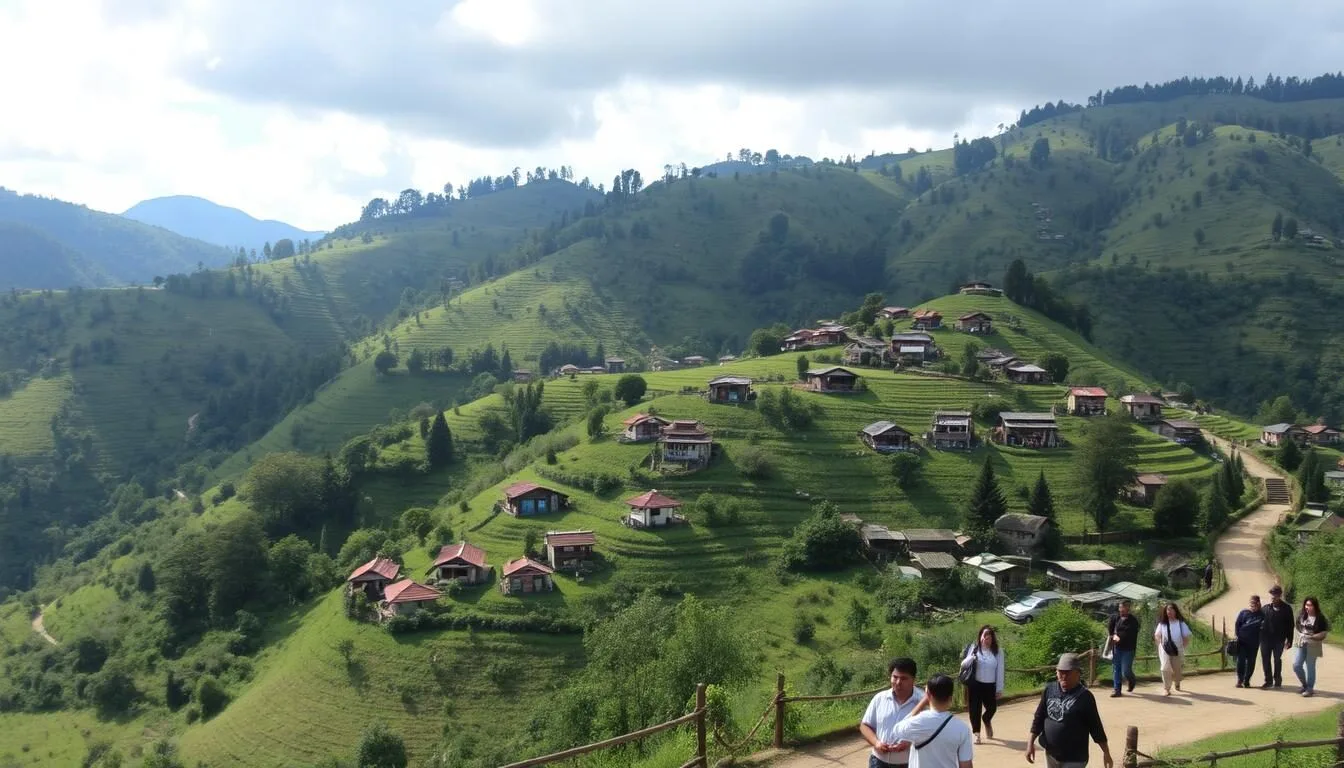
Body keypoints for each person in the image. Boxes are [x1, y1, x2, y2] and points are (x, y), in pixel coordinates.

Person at [1027, 653, 1113, 768]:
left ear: (1078, 673)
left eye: (1067, 672)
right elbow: (1039, 717)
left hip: (1075, 759)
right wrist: (1030, 743)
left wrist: (1106, 753)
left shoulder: (1085, 697)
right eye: (1060, 672)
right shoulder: (1050, 690)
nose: (1063, 676)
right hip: (1051, 754)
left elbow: (1096, 727)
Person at [886, 674, 975, 768]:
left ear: (928, 695)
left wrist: (921, 703)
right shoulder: (962, 728)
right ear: (950, 698)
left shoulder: (917, 722)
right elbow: (966, 764)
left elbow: (896, 730)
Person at [862, 658, 925, 767]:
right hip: (878, 762)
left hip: (910, 763)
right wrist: (876, 743)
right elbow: (865, 726)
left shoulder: (923, 701)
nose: (898, 682)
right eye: (895, 677)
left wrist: (910, 742)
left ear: (913, 679)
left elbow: (931, 732)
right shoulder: (880, 699)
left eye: (904, 678)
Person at [959, 625, 1004, 744]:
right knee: (975, 709)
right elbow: (963, 664)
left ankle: (986, 719)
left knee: (992, 708)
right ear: (980, 637)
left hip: (990, 685)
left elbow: (1000, 670)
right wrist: (972, 658)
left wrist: (999, 689)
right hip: (975, 684)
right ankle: (976, 733)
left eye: (988, 637)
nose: (986, 639)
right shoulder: (974, 648)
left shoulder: (998, 651)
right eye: (984, 636)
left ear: (992, 639)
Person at [1291, 596, 1330, 697]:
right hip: (1301, 643)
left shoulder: (1320, 618)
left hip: (1314, 645)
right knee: (1296, 665)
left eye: (1310, 605)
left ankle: (1310, 689)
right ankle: (1304, 685)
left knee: (1310, 667)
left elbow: (1323, 633)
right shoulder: (1302, 614)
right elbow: (1298, 625)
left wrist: (1311, 636)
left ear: (1315, 606)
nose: (1307, 607)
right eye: (1306, 605)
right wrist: (1301, 634)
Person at [1260, 585, 1295, 688]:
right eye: (1271, 595)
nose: (1272, 597)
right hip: (1265, 639)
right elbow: (1258, 622)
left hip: (1279, 640)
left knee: (1277, 659)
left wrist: (1290, 640)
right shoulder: (1265, 608)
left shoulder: (1287, 608)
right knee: (1265, 660)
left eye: (1275, 595)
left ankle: (1277, 679)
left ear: (1280, 596)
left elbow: (1290, 625)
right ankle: (1268, 680)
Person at [1154, 602, 1192, 696]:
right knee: (1164, 668)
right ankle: (1166, 688)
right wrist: (1160, 645)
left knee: (1177, 669)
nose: (1169, 611)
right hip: (1165, 649)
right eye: (1167, 610)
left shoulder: (1180, 623)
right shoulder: (1162, 624)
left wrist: (1183, 647)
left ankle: (1177, 681)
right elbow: (1157, 635)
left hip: (1178, 649)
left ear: (1175, 611)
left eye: (1171, 609)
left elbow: (1186, 637)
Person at [1106, 600, 1140, 697]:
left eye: (1124, 608)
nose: (1121, 610)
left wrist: (1119, 637)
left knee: (1126, 671)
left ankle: (1131, 680)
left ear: (1128, 608)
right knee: (1116, 669)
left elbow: (1129, 634)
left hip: (1129, 649)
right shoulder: (1115, 618)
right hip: (1117, 648)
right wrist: (1113, 636)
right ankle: (1117, 690)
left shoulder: (1133, 621)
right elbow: (1110, 629)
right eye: (1120, 607)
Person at [1233, 595, 1264, 688]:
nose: (1252, 605)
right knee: (1240, 660)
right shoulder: (1243, 613)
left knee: (1251, 662)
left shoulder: (1261, 615)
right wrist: (1237, 635)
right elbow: (1237, 624)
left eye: (1254, 603)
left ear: (1259, 604)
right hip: (1242, 642)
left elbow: (1262, 626)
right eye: (1251, 603)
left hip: (1254, 643)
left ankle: (1247, 680)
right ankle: (1240, 679)